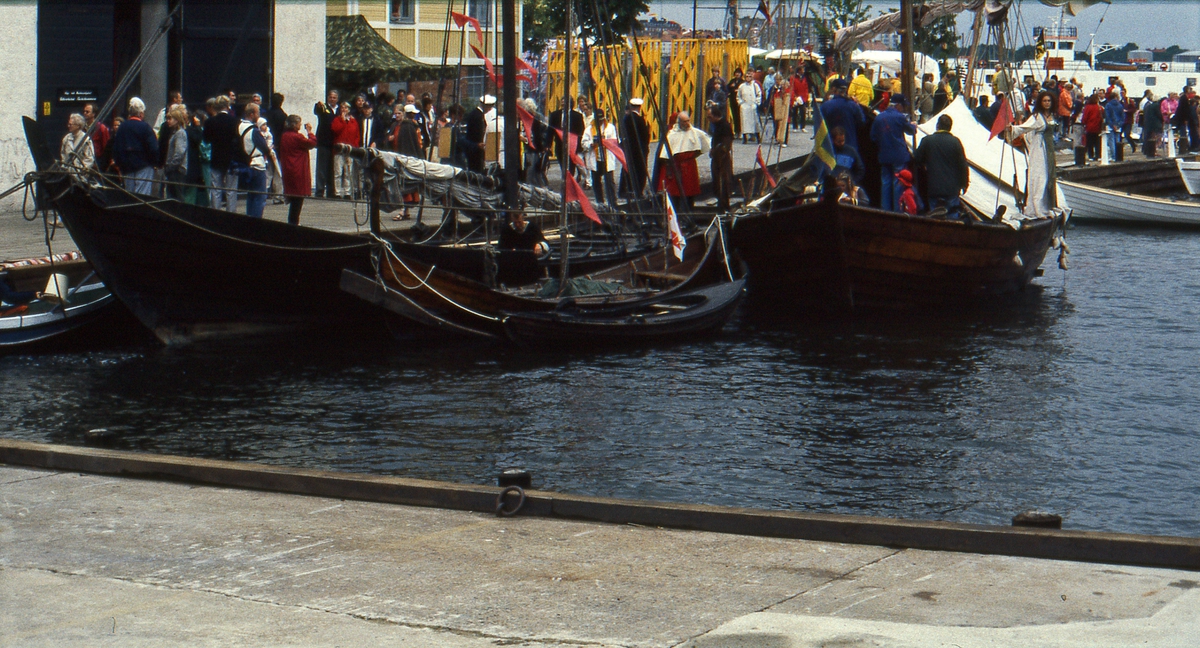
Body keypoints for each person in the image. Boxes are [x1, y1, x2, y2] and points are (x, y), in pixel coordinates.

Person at [1009, 91, 1057, 219]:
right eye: (1044, 101)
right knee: (1040, 176)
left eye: (1049, 101)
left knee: (1048, 176)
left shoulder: (1051, 116)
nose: (1047, 103)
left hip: (1049, 149)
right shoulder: (1037, 117)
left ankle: (1046, 206)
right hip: (1040, 149)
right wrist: (1012, 129)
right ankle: (1036, 207)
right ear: (1040, 102)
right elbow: (1025, 127)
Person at [911, 115, 969, 220]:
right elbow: (962, 165)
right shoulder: (955, 142)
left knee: (935, 216)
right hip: (952, 188)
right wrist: (964, 183)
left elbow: (917, 159)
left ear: (937, 125)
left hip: (934, 187)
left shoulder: (927, 141)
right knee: (952, 217)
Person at [869, 93, 915, 212]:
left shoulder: (879, 118)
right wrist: (913, 125)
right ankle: (897, 211)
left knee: (886, 183)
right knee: (898, 183)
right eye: (903, 106)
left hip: (884, 155)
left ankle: (885, 211)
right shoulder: (900, 117)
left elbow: (873, 137)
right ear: (898, 105)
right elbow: (911, 131)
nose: (903, 109)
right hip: (899, 156)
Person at [658, 111, 710, 211]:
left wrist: (693, 155)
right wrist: (668, 170)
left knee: (690, 190)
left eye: (688, 121)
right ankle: (676, 212)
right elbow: (666, 154)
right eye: (684, 121)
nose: (687, 123)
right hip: (676, 165)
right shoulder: (672, 134)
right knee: (675, 191)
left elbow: (703, 146)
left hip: (689, 164)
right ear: (680, 122)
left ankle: (689, 211)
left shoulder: (695, 132)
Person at [111, 97, 158, 195]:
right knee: (142, 195)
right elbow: (153, 148)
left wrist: (120, 165)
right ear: (141, 113)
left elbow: (116, 148)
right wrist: (155, 162)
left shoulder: (122, 127)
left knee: (129, 195)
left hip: (127, 167)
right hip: (144, 166)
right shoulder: (145, 127)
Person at [238, 103, 275, 218]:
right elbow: (264, 147)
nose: (259, 115)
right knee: (260, 196)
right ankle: (256, 221)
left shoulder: (239, 126)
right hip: (257, 164)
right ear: (251, 114)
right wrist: (269, 150)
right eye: (257, 113)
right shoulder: (254, 130)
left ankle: (249, 219)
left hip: (245, 164)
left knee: (251, 195)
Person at [279, 115, 317, 225]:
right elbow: (312, 143)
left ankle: (293, 220)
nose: (300, 125)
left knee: (293, 196)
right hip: (298, 169)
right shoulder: (297, 137)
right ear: (294, 125)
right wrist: (310, 132)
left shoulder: (284, 136)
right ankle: (294, 222)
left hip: (288, 168)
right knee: (298, 198)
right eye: (299, 123)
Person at [582, 109, 619, 207]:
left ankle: (613, 202)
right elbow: (584, 143)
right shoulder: (589, 129)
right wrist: (591, 144)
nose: (600, 122)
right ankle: (600, 202)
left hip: (606, 158)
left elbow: (615, 141)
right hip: (595, 158)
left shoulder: (610, 128)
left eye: (601, 120)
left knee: (609, 181)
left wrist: (605, 141)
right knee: (596, 181)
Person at [822, 79, 866, 152]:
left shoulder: (826, 106)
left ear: (833, 89)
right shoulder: (853, 105)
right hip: (850, 146)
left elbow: (819, 125)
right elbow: (862, 122)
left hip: (830, 147)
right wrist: (858, 105)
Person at [546, 96, 585, 178]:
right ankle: (565, 178)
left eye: (565, 103)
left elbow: (581, 131)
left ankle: (569, 180)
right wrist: (548, 145)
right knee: (562, 164)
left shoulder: (577, 116)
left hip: (572, 145)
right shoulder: (554, 115)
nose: (563, 104)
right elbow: (550, 131)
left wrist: (579, 147)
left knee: (571, 166)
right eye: (562, 103)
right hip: (560, 144)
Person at [621, 98, 651, 199]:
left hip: (629, 148)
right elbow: (644, 136)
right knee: (640, 170)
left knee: (628, 169)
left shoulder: (626, 118)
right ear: (639, 107)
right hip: (639, 149)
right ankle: (638, 191)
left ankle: (627, 189)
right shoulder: (639, 119)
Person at [707, 106, 735, 211]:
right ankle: (720, 202)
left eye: (710, 117)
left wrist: (719, 151)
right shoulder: (716, 125)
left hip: (722, 158)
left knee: (723, 181)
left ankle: (724, 205)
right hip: (716, 157)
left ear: (715, 116)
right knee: (717, 181)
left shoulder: (725, 126)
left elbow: (726, 144)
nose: (709, 119)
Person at [329, 101, 359, 199]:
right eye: (342, 108)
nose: (344, 110)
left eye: (346, 108)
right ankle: (337, 192)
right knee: (338, 172)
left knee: (348, 172)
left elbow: (357, 135)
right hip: (339, 149)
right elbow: (335, 130)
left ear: (349, 110)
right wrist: (342, 120)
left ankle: (347, 192)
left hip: (349, 149)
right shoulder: (336, 120)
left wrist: (355, 147)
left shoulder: (353, 121)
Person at [313, 89, 339, 198]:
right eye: (330, 97)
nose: (332, 99)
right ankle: (319, 191)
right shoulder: (324, 108)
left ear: (337, 99)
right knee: (321, 167)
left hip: (335, 143)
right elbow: (317, 110)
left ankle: (331, 191)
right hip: (324, 141)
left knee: (332, 168)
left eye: (334, 97)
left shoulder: (340, 110)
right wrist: (318, 105)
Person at [162, 105, 189, 202]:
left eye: (170, 119)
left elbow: (179, 152)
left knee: (176, 197)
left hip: (177, 171)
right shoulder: (174, 133)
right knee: (172, 196)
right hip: (174, 170)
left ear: (177, 120)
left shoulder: (180, 133)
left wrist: (171, 166)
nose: (168, 121)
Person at [463, 94, 491, 172]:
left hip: (473, 147)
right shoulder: (478, 116)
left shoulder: (475, 113)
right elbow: (477, 132)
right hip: (476, 148)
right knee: (476, 170)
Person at [82, 103, 111, 172]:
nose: (85, 113)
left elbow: (106, 148)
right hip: (84, 160)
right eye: (84, 111)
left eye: (87, 112)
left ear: (93, 114)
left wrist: (103, 164)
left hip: (97, 162)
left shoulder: (101, 128)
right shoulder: (82, 128)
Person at [737, 73, 763, 144]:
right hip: (745, 106)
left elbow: (759, 94)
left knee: (755, 122)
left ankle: (758, 137)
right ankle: (745, 138)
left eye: (750, 76)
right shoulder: (742, 86)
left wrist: (757, 103)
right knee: (744, 123)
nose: (748, 78)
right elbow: (738, 96)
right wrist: (741, 103)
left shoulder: (755, 85)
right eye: (747, 76)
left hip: (752, 106)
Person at [1104, 91, 1125, 163]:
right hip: (1118, 126)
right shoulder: (1120, 105)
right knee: (1117, 141)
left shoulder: (1108, 105)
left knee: (1111, 141)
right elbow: (1123, 117)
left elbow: (1107, 116)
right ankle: (1118, 155)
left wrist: (1112, 125)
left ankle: (1113, 156)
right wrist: (1119, 125)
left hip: (1111, 126)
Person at [1081, 93, 1103, 162]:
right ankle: (1098, 155)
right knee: (1097, 142)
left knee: (1089, 142)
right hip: (1098, 127)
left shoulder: (1087, 107)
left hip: (1089, 127)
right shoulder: (1099, 107)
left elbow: (1085, 117)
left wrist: (1083, 123)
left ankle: (1091, 156)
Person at [772, 74, 792, 146]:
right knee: (778, 124)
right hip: (779, 110)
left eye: (784, 85)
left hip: (786, 110)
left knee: (785, 125)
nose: (783, 86)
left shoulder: (788, 92)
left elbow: (791, 101)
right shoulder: (778, 91)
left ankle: (784, 141)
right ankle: (778, 139)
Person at [1142, 92, 1163, 158]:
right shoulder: (1157, 106)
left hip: (1148, 124)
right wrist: (1163, 119)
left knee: (1150, 138)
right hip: (1156, 124)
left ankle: (1148, 150)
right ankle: (1154, 151)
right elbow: (1159, 115)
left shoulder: (1149, 105)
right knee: (1157, 138)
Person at [727, 68, 745, 136]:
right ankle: (736, 131)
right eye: (736, 73)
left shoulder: (742, 82)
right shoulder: (732, 81)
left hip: (739, 102)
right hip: (733, 100)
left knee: (740, 116)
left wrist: (737, 90)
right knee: (734, 116)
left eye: (739, 73)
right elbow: (727, 88)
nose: (737, 74)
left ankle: (740, 131)